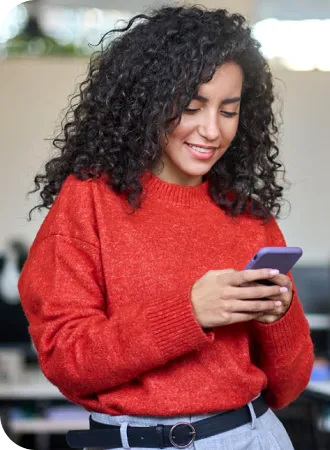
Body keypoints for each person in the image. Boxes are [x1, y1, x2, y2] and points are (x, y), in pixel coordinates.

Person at [18, 5, 314, 450]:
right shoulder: (90, 201)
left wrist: (280, 316)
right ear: (148, 101)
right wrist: (188, 313)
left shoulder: (248, 214)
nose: (211, 130)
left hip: (253, 436)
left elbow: (289, 385)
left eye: (228, 111)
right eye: (192, 107)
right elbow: (66, 360)